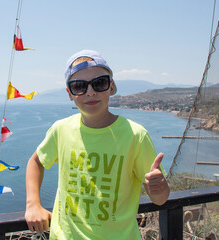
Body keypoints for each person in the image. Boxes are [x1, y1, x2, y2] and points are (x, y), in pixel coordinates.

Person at [25, 49, 170, 239]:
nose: (90, 92)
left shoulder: (135, 136)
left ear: (111, 87)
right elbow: (36, 162)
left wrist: (159, 188)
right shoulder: (61, 130)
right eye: (79, 86)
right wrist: (33, 204)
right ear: (70, 94)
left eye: (99, 83)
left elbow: (160, 200)